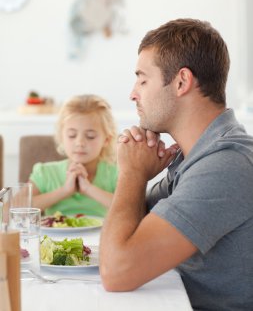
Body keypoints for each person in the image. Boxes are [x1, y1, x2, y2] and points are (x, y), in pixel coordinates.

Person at [99, 19, 253, 310]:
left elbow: (117, 271)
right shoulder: (194, 156)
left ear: (181, 82)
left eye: (143, 79)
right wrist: (138, 172)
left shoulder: (225, 165)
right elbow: (131, 228)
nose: (133, 94)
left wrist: (132, 173)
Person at [30, 94, 118, 217]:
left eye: (90, 136)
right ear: (62, 136)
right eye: (72, 135)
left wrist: (88, 189)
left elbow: (131, 210)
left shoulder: (115, 172)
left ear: (106, 140)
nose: (80, 143)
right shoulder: (46, 173)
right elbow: (9, 212)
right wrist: (64, 191)